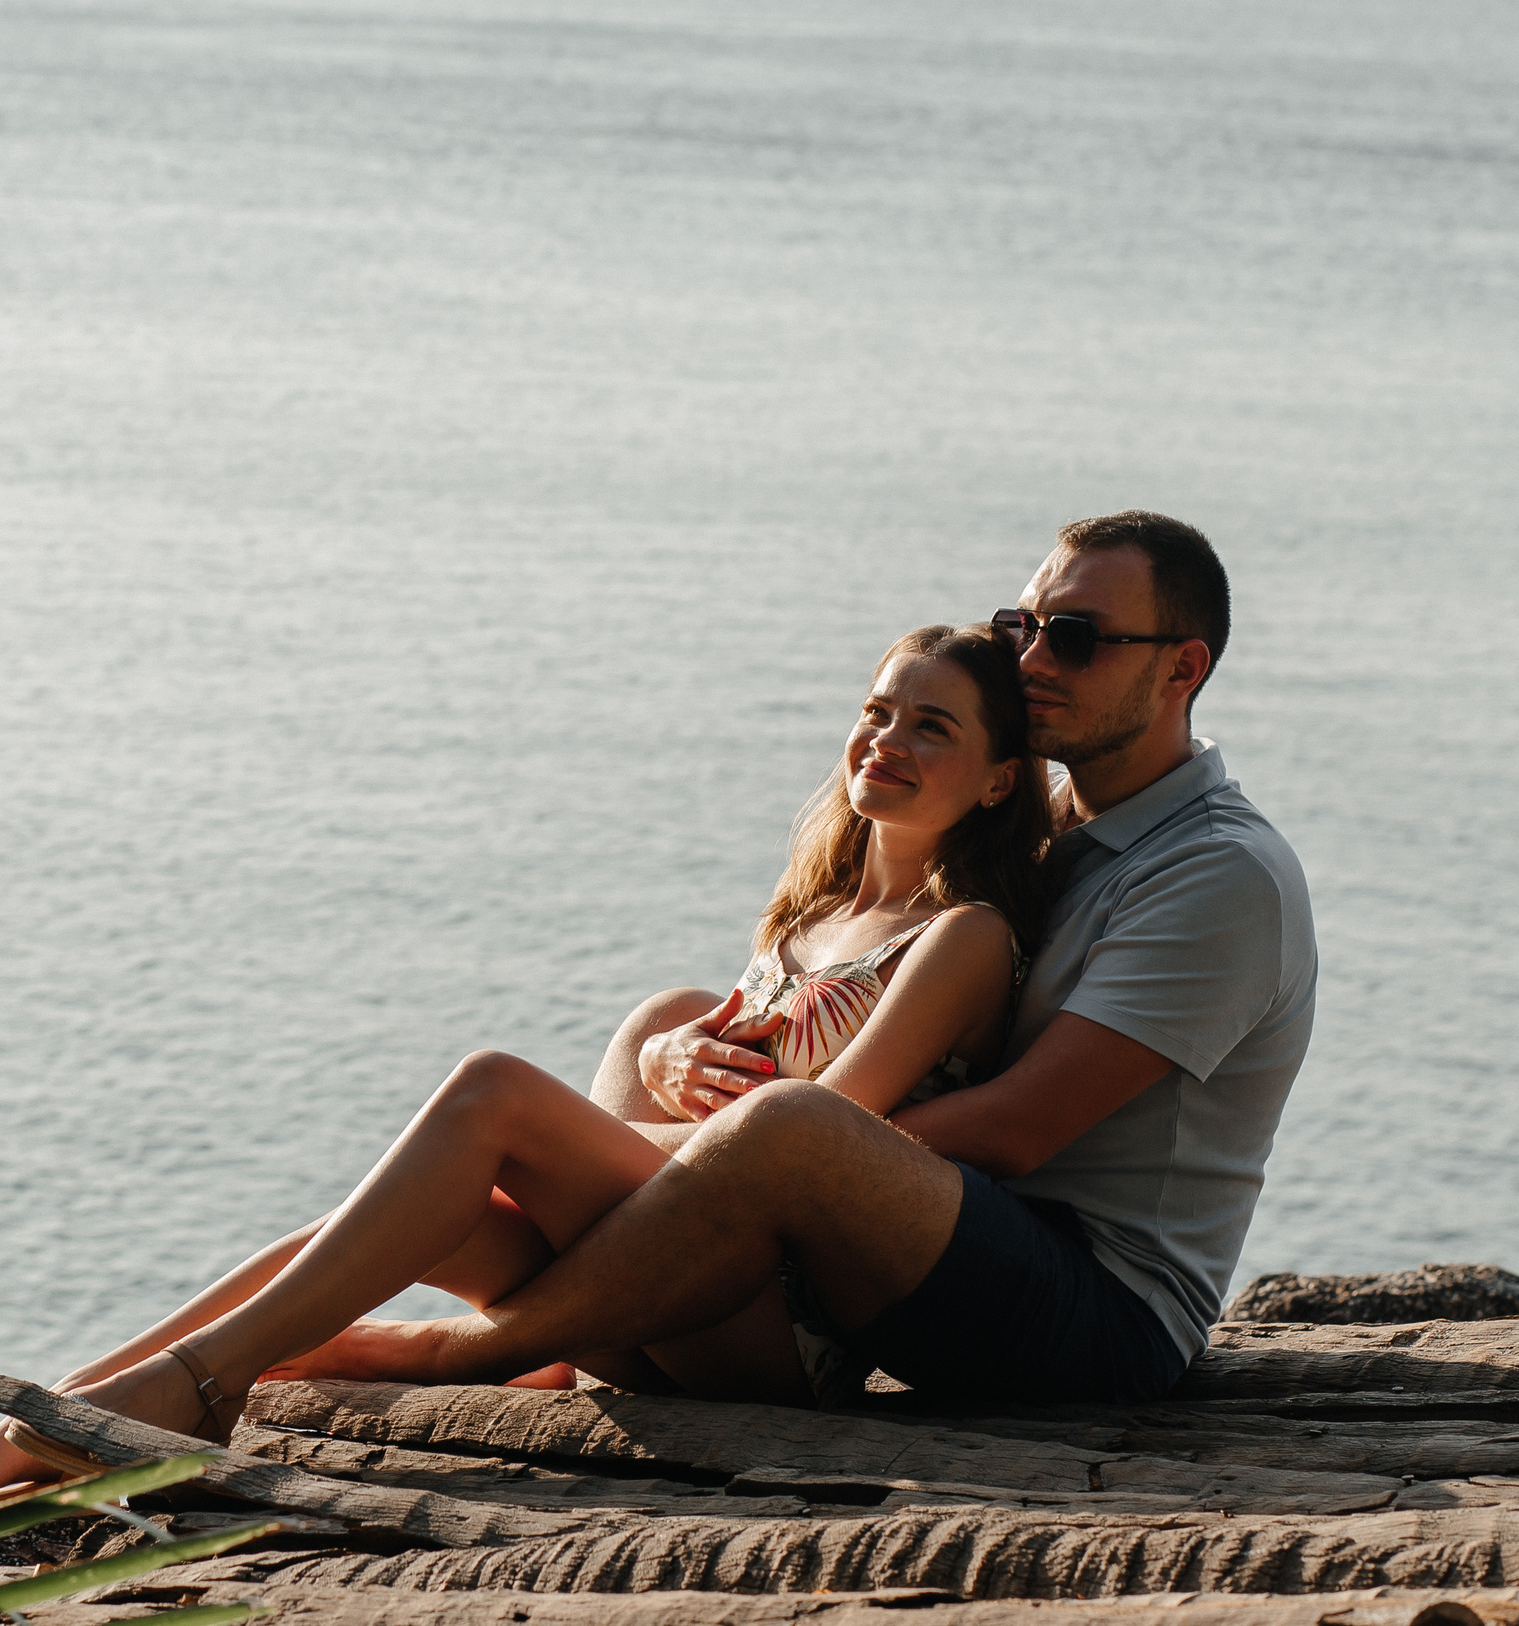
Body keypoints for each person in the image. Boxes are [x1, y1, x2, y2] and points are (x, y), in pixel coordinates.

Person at [0, 616, 1054, 1520]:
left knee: (494, 1095)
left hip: (779, 1330)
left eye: (930, 728)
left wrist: (575, 1132)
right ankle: (64, 1410)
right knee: (379, 1233)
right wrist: (664, 1054)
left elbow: (818, 1136)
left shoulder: (961, 935)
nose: (885, 741)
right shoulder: (809, 921)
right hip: (661, 1296)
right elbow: (704, 1111)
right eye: (876, 711)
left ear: (999, 779)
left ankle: (179, 1391)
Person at [263, 510, 1315, 1415]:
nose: (1032, 660)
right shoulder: (1045, 831)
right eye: (1021, 625)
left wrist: (740, 1157)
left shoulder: (1218, 873)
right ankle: (174, 1367)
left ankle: (459, 1350)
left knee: (748, 1126)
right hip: (932, 1248)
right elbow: (846, 1013)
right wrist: (685, 1070)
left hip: (1098, 1316)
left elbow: (1013, 1129)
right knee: (647, 1036)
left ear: (1182, 668)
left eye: (1074, 637)